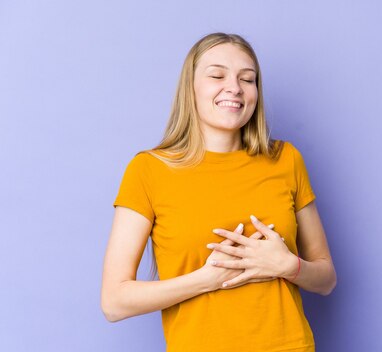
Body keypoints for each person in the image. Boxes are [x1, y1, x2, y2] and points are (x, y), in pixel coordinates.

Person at [100, 32, 337, 352]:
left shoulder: (286, 159)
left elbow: (326, 279)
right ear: (191, 87)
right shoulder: (149, 170)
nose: (235, 88)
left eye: (248, 79)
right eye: (217, 75)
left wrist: (289, 266)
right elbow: (114, 302)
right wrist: (206, 279)